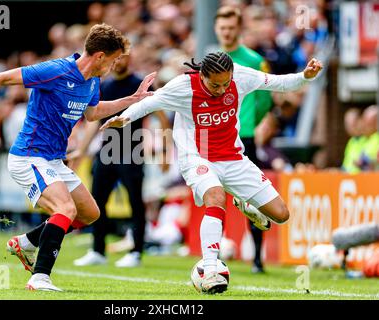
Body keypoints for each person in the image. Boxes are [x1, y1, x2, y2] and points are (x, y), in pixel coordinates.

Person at [0, 23, 156, 291]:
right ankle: (40, 277)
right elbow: (2, 77)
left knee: (90, 213)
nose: (116, 65)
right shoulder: (56, 70)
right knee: (66, 209)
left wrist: (132, 99)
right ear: (100, 56)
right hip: (29, 155)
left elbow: (92, 113)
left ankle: (26, 242)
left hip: (53, 160)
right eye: (115, 59)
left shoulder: (92, 81)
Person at [101, 52, 323, 294]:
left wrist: (305, 76)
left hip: (234, 159)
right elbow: (149, 103)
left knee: (281, 215)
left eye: (225, 84)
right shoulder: (183, 86)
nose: (221, 89)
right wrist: (123, 118)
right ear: (202, 75)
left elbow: (279, 83)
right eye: (215, 84)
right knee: (215, 196)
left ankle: (244, 203)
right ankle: (210, 270)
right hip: (196, 158)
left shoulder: (241, 77)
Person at [70, 54, 168, 268]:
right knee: (96, 201)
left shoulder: (139, 84)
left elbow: (160, 117)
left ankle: (136, 252)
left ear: (130, 59)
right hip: (107, 149)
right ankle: (97, 250)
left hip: (131, 149)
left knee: (135, 203)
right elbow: (94, 121)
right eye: (115, 59)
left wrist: (164, 152)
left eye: (122, 58)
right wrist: (81, 151)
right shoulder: (105, 85)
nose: (117, 62)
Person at [214, 5, 273, 273]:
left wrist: (250, 122)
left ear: (238, 30)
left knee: (253, 197)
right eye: (222, 28)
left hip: (244, 136)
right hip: (217, 138)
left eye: (231, 28)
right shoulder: (212, 60)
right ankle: (213, 256)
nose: (226, 32)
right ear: (217, 29)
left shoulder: (254, 60)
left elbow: (264, 100)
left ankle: (258, 259)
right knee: (215, 195)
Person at [341, 108, 365, 174]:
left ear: (361, 121)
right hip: (350, 181)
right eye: (347, 124)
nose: (349, 127)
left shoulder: (369, 139)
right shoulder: (351, 141)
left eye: (353, 123)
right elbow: (346, 165)